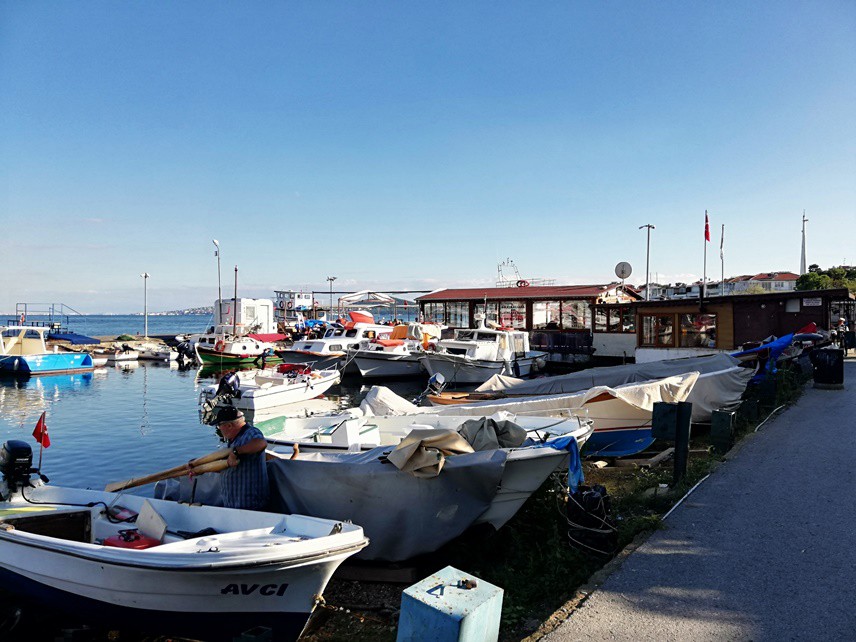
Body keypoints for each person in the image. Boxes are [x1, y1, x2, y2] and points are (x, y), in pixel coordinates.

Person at [212, 407, 270, 510]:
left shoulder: (250, 433)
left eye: (219, 425)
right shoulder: (233, 439)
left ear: (229, 425)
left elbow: (261, 443)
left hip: (251, 506)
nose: (219, 428)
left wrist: (236, 452)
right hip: (234, 505)